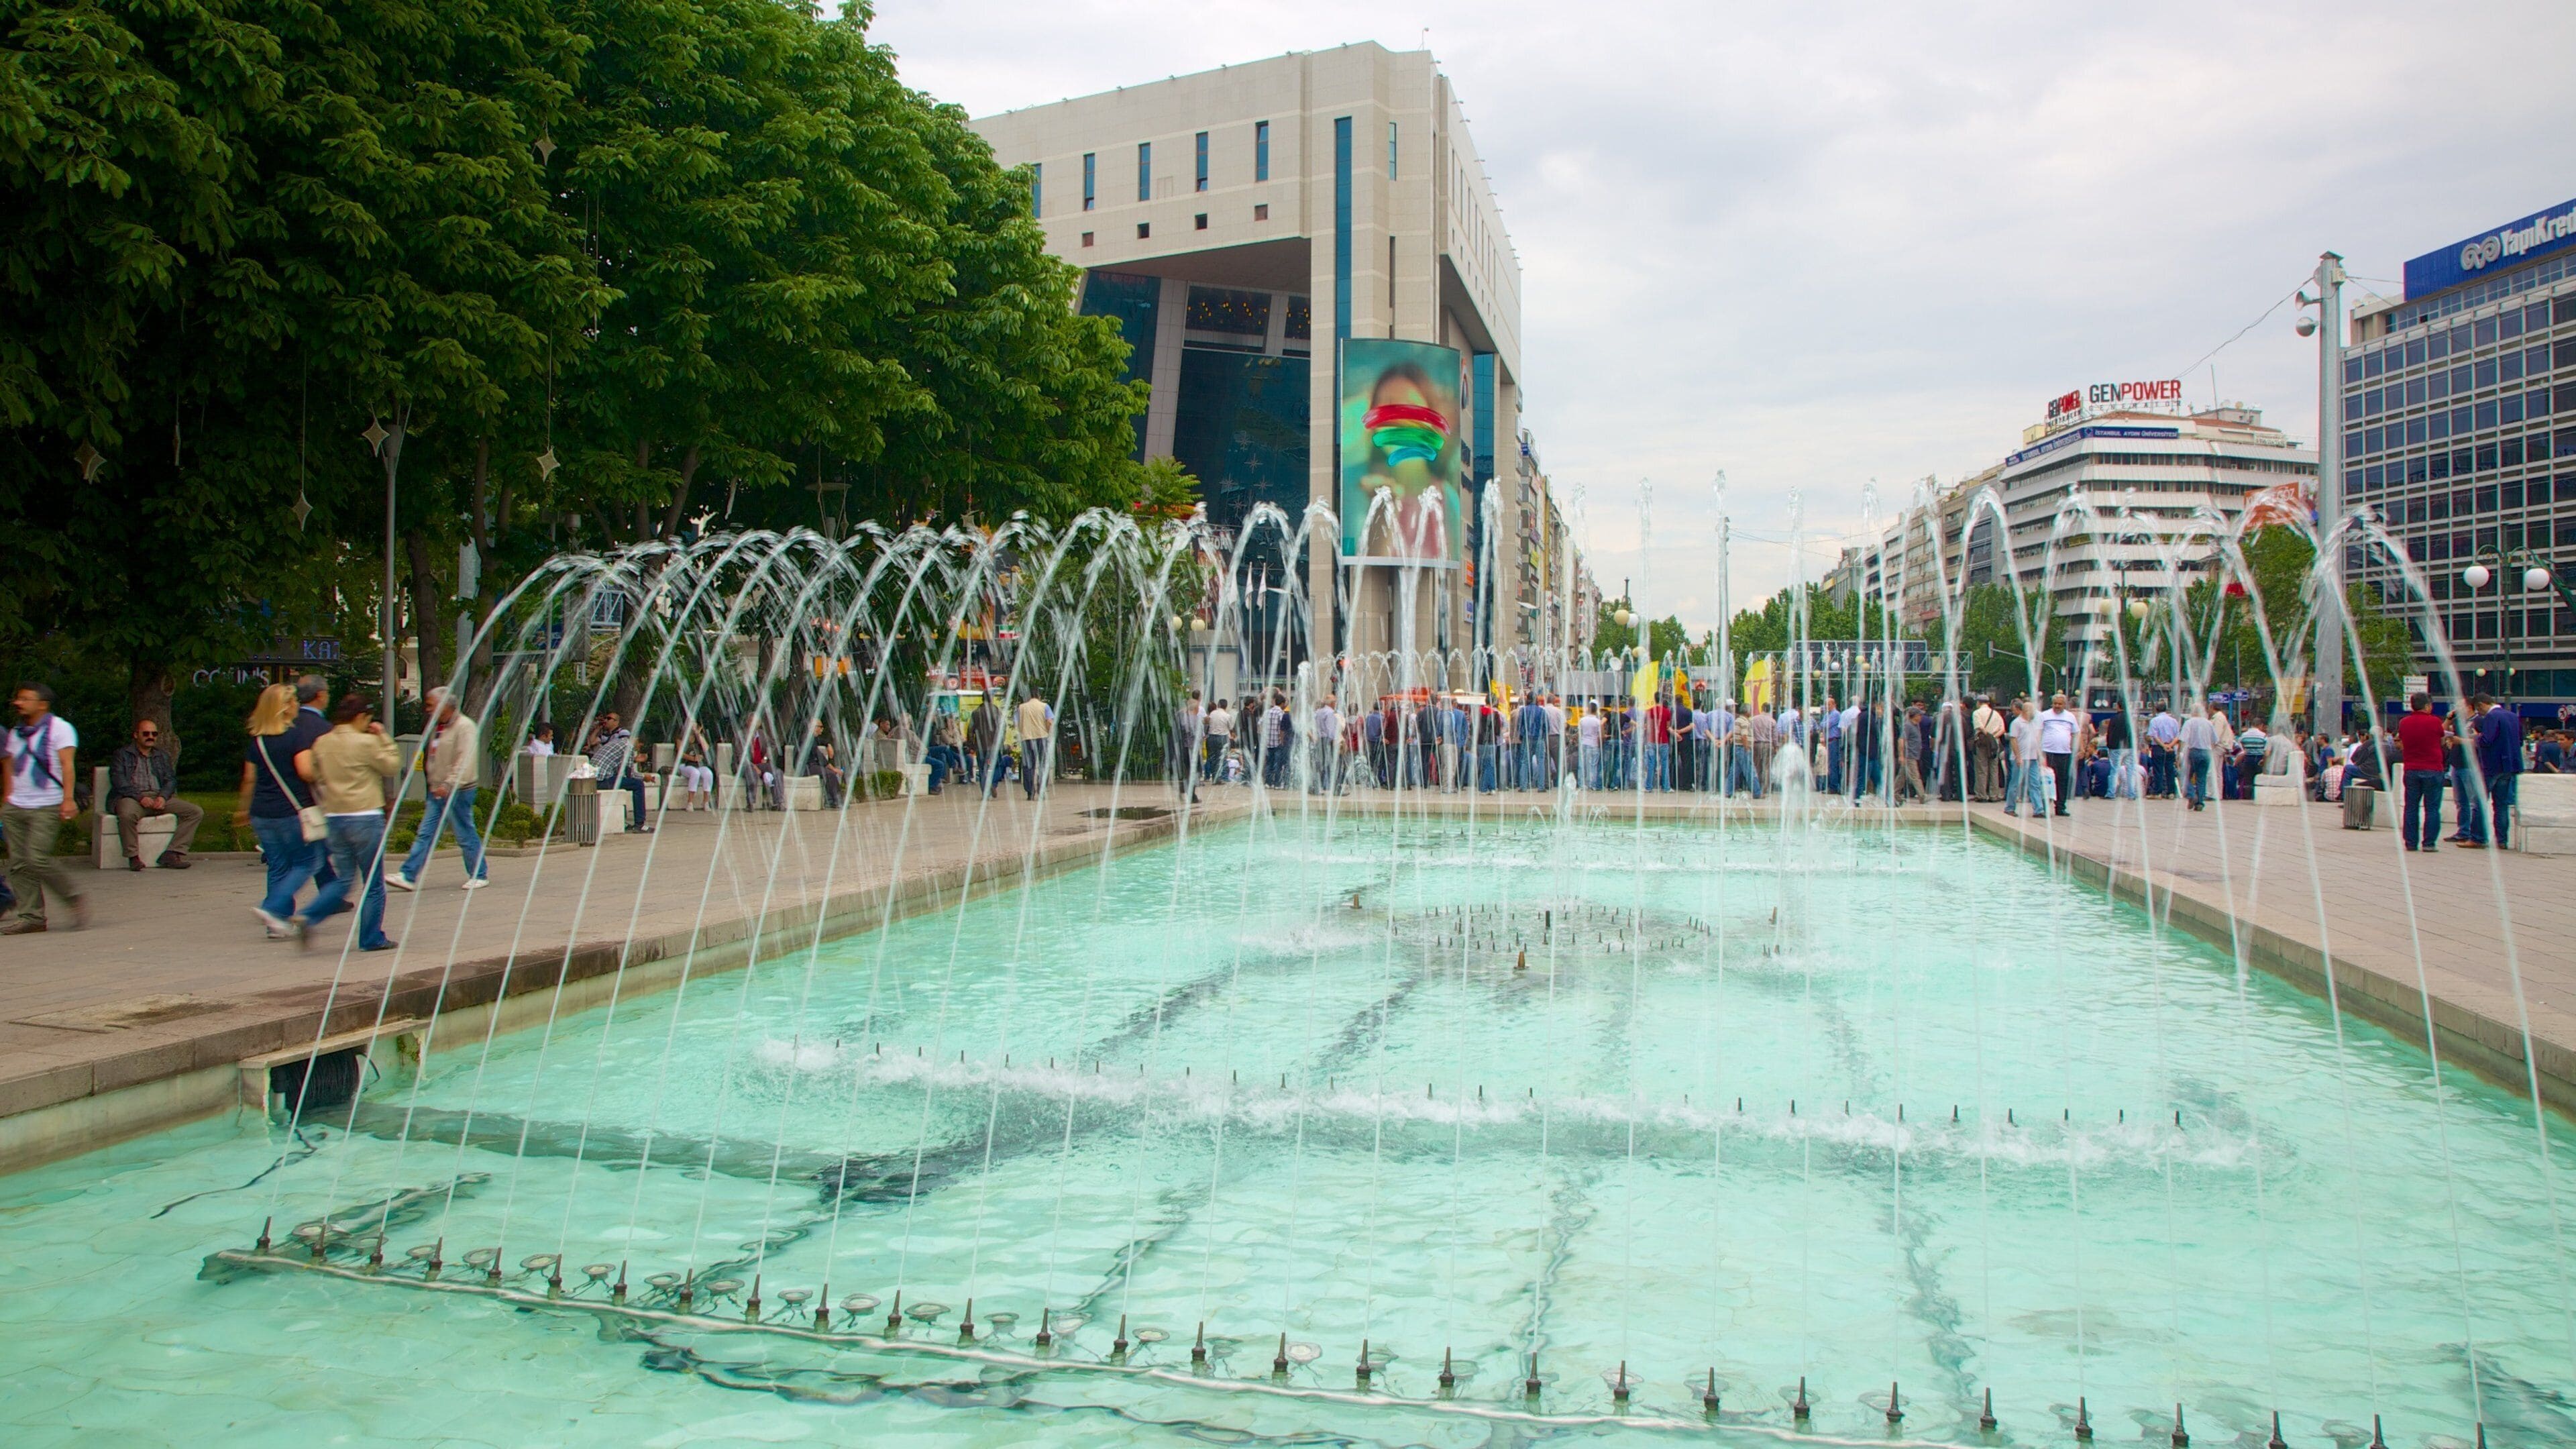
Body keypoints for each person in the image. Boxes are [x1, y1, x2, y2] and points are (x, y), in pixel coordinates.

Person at [303, 693, 400, 950]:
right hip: (365, 816)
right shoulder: (366, 742)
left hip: (335, 817)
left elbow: (313, 773)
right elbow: (392, 765)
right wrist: (383, 736)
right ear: (360, 717)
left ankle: (310, 916)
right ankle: (371, 938)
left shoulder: (322, 743)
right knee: (374, 883)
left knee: (344, 879)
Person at [238, 683, 327, 938]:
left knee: (278, 865)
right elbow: (306, 772)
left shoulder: (258, 743)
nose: (298, 705)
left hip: (262, 812)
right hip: (291, 811)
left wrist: (243, 810)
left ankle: (276, 924)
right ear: (285, 708)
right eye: (294, 702)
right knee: (308, 861)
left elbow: (249, 779)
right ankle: (274, 909)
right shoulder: (296, 737)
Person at [1, 683, 85, 933]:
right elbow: (10, 766)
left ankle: (73, 897)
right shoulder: (17, 732)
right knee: (18, 864)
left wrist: (68, 799)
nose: (19, 703)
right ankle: (32, 917)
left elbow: (67, 766)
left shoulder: (61, 729)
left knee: (37, 857)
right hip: (16, 805)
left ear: (42, 705)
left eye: (26, 699)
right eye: (18, 698)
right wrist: (7, 799)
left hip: (47, 803)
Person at [390, 689, 488, 892]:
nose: (427, 709)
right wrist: (436, 784)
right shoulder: (439, 727)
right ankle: (408, 875)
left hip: (458, 790)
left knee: (464, 832)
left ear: (445, 705)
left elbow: (465, 759)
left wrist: (449, 784)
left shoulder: (465, 727)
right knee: (425, 833)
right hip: (438, 790)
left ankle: (479, 874)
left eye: (431, 705)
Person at [107, 716, 202, 870]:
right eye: (146, 734)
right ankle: (133, 857)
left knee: (195, 812)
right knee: (126, 814)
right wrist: (140, 797)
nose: (150, 737)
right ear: (136, 735)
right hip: (131, 797)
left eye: (154, 734)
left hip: (158, 796)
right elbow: (119, 780)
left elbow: (170, 779)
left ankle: (172, 853)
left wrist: (163, 797)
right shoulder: (123, 754)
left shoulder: (161, 756)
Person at [2467, 694, 2523, 849]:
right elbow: (2520, 740)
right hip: (2509, 766)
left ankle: (2478, 838)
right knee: (2502, 805)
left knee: (2480, 801)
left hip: (2492, 765)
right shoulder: (2512, 716)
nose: (2480, 713)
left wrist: (2476, 738)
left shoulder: (2492, 717)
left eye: (2479, 709)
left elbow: (2487, 740)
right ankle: (2502, 840)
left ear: (2482, 705)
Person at [2396, 691, 2448, 851]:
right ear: (2427, 706)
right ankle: (2429, 843)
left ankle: (2411, 843)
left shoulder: (2404, 723)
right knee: (2432, 808)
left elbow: (2402, 741)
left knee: (2411, 807)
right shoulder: (2434, 722)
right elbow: (2441, 739)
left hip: (2411, 769)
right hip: (2433, 769)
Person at [588, 711, 652, 832]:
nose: (638, 749)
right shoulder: (628, 746)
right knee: (638, 785)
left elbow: (621, 770)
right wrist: (644, 777)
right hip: (601, 780)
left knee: (623, 783)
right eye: (639, 746)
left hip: (592, 779)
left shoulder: (618, 742)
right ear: (637, 741)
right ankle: (640, 824)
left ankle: (622, 822)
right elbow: (631, 774)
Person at [2037, 693, 2081, 817]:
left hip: (2064, 753)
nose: (2057, 706)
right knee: (2046, 780)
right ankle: (2044, 806)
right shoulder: (2044, 715)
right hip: (2047, 752)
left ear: (2064, 705)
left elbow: (2076, 733)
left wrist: (2078, 749)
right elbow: (2038, 733)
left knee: (2063, 780)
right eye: (2055, 703)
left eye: (2060, 704)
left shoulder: (2070, 717)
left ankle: (2060, 807)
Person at [2005, 697, 2047, 816]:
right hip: (2020, 759)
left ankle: (2039, 810)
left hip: (2033, 758)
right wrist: (2018, 757)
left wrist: (2041, 756)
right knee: (2015, 784)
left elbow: (2038, 740)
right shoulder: (2017, 723)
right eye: (2032, 712)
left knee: (2035, 784)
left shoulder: (2034, 722)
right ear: (2025, 711)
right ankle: (2010, 808)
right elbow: (2014, 741)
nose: (2034, 714)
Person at [1016, 690, 1054, 800]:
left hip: (1027, 738)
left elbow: (1016, 723)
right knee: (1043, 765)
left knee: (1028, 766)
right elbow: (1050, 721)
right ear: (1039, 696)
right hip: (1041, 737)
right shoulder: (1045, 706)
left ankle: (1030, 792)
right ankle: (1041, 789)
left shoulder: (1021, 708)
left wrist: (1023, 731)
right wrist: (1046, 730)